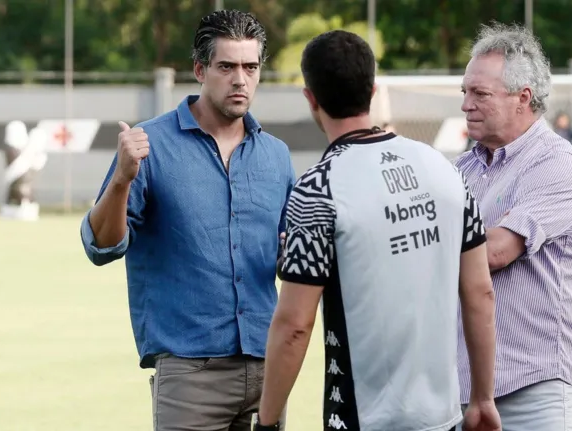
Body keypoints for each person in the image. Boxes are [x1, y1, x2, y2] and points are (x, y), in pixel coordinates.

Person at [254, 30, 501, 431]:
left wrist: (266, 423)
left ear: (310, 98)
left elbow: (295, 325)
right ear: (372, 89)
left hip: (361, 420)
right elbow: (480, 292)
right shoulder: (444, 169)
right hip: (443, 418)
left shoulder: (317, 190)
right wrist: (483, 398)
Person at [79, 10, 295, 431]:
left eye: (251, 67)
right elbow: (100, 247)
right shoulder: (150, 146)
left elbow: (288, 256)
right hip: (190, 377)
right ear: (200, 69)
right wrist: (122, 178)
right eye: (226, 67)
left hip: (269, 371)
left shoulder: (277, 156)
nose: (240, 80)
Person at [454, 23, 572, 431]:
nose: (466, 104)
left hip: (536, 389)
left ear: (523, 98)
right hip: (462, 389)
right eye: (464, 92)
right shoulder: (459, 170)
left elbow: (494, 252)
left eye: (480, 93)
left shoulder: (559, 165)